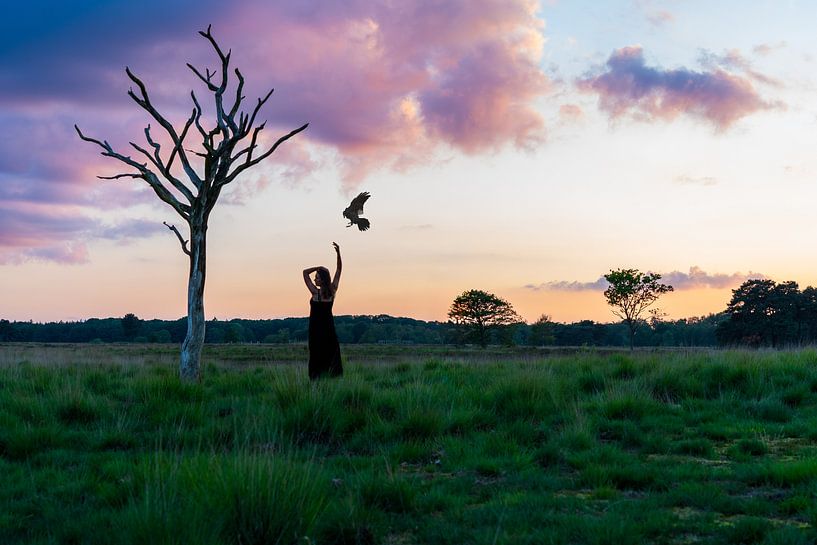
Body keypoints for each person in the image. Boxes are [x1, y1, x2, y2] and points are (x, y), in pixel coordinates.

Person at [302, 242, 343, 380]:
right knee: (328, 354)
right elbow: (338, 270)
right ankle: (326, 379)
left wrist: (318, 267)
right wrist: (338, 254)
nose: (314, 279)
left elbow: (305, 273)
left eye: (317, 277)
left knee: (318, 355)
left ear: (323, 279)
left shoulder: (316, 293)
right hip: (325, 329)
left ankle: (319, 380)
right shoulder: (331, 292)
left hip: (317, 330)